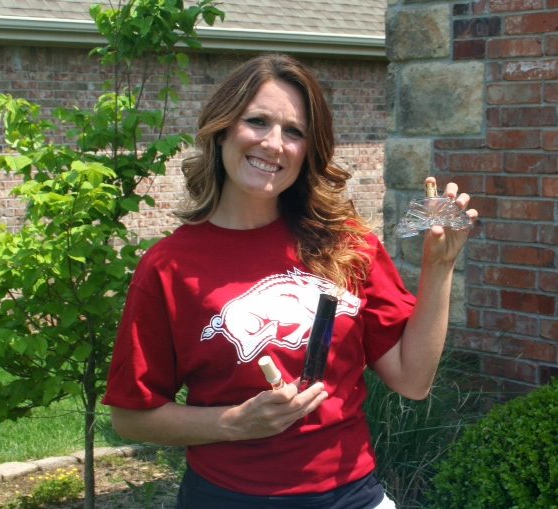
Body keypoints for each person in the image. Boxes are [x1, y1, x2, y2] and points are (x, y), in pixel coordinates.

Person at [102, 54, 478, 509]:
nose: (274, 144)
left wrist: (441, 267)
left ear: (309, 150)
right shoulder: (169, 267)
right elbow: (131, 417)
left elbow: (413, 381)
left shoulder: (347, 246)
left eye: (294, 131)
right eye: (257, 121)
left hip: (352, 497)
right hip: (225, 498)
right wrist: (233, 423)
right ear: (222, 130)